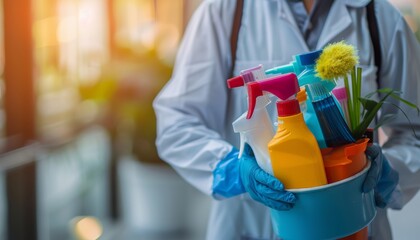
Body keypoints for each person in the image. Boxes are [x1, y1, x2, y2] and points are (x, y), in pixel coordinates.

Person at [153, 0, 420, 239]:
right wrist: (233, 171)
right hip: (249, 227)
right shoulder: (224, 12)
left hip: (355, 227)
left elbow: (415, 131)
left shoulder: (379, 17)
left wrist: (390, 173)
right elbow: (177, 121)